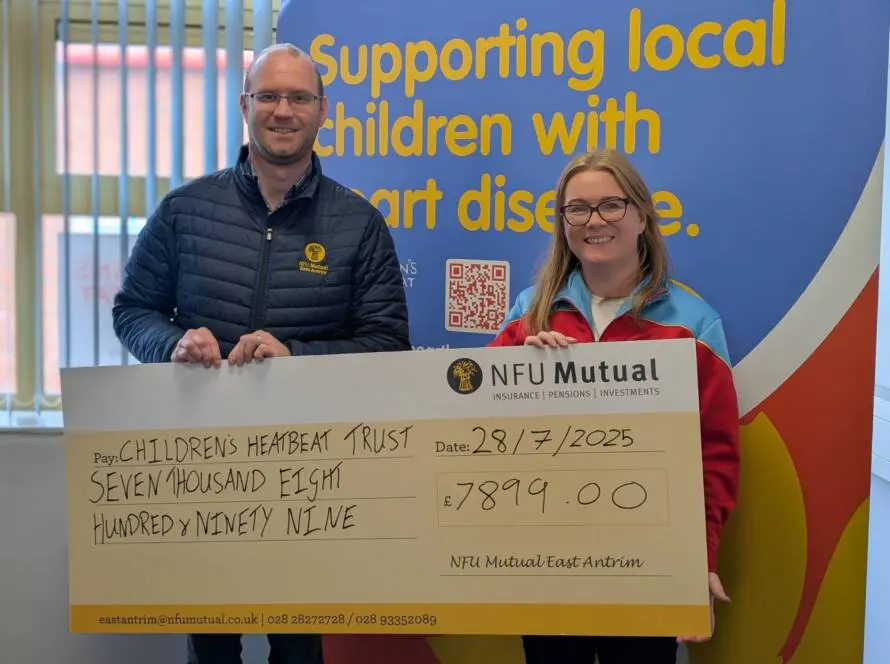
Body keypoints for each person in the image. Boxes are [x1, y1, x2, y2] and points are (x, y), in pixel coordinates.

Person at [111, 43, 410, 664]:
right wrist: (171, 344)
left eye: (298, 97)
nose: (283, 110)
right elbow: (132, 310)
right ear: (245, 104)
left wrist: (296, 357)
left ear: (323, 110)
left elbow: (388, 346)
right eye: (268, 95)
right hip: (203, 468)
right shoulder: (184, 210)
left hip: (312, 477)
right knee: (211, 647)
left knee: (299, 649)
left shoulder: (359, 224)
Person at [486, 148, 740, 664]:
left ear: (642, 216)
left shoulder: (692, 324)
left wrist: (700, 559)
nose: (594, 221)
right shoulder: (529, 314)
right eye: (577, 209)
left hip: (648, 562)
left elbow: (713, 456)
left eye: (611, 205)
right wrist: (514, 370)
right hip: (546, 562)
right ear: (563, 224)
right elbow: (474, 425)